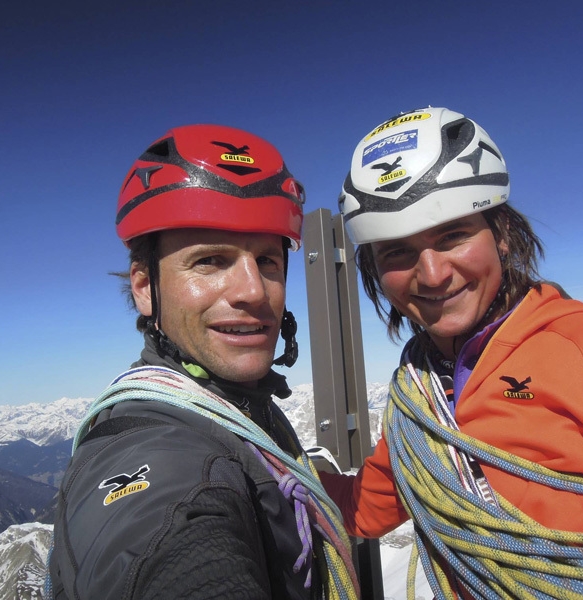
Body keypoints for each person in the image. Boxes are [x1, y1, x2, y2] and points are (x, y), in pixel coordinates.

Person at [321, 107, 583, 599]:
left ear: (500, 233)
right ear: (373, 267)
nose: (431, 274)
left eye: (452, 235)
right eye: (397, 251)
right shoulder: (420, 392)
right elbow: (371, 508)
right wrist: (282, 475)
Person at [47, 124, 359, 600]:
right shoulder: (157, 448)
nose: (254, 291)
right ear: (143, 286)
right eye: (211, 261)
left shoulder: (243, 412)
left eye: (267, 261)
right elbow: (165, 538)